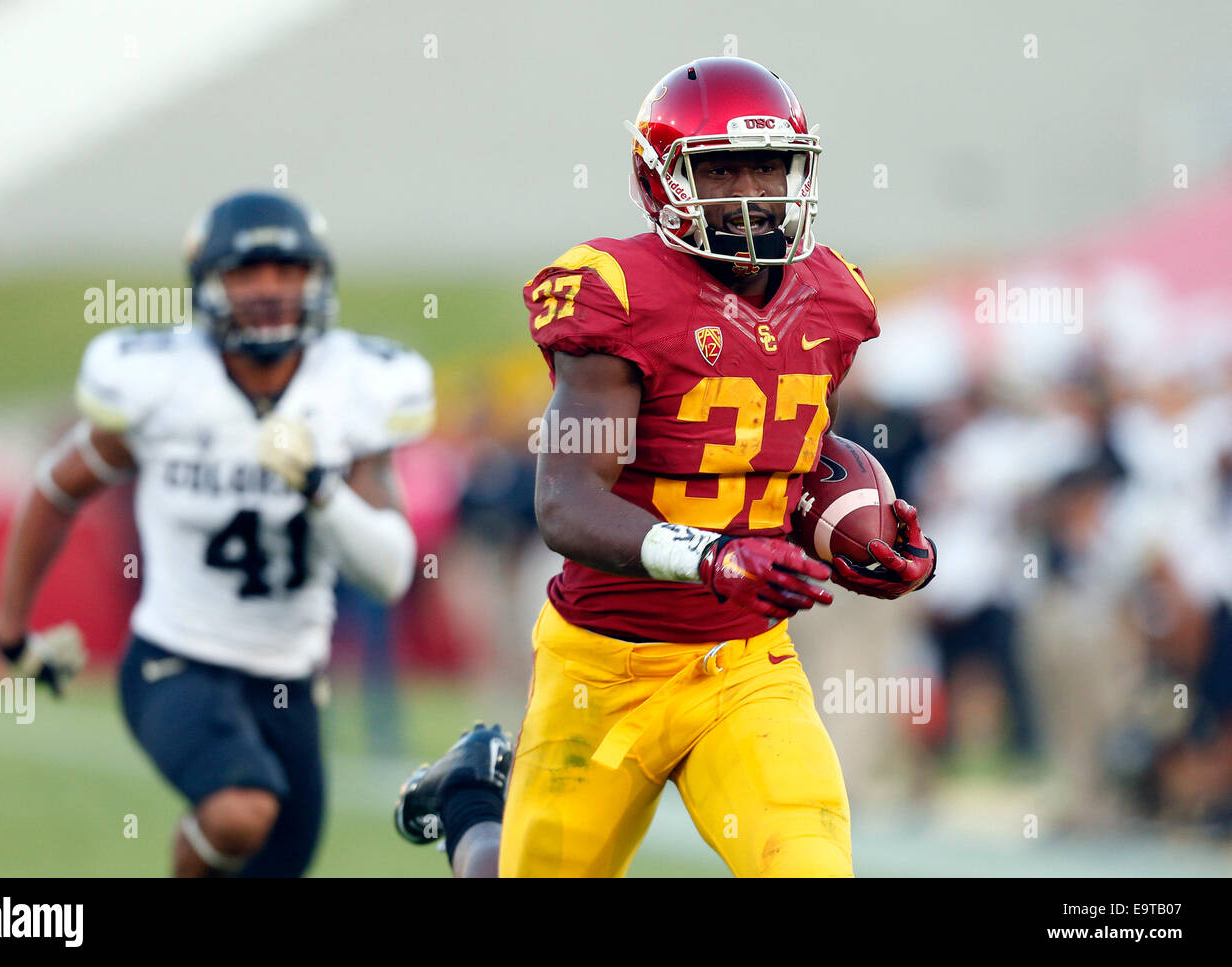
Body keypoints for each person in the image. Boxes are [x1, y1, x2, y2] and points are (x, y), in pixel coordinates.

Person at [396, 57, 935, 877]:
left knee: (808, 864)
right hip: (603, 666)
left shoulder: (833, 302)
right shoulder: (618, 293)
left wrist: (861, 533)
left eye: (768, 164)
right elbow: (566, 503)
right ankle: (473, 799)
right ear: (663, 180)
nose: (753, 189)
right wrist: (714, 555)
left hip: (745, 663)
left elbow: (774, 461)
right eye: (721, 168)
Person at [0, 190, 434, 876]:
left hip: (291, 676)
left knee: (274, 857)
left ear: (316, 281)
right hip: (177, 657)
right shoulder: (167, 386)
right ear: (208, 286)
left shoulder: (352, 391)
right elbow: (57, 487)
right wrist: (13, 630)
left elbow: (391, 571)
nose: (268, 289)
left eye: (287, 271)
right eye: (246, 271)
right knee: (239, 808)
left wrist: (320, 487)